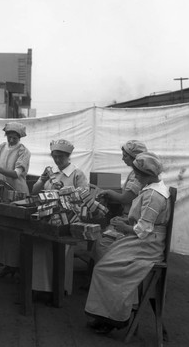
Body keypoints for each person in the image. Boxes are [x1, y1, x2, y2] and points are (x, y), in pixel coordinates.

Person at [85, 152, 172, 334]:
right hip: (144, 240)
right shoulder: (151, 188)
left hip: (148, 245)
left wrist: (124, 227)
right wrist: (125, 224)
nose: (136, 176)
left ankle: (114, 317)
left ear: (148, 174)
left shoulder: (154, 196)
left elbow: (143, 229)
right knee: (106, 257)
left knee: (105, 269)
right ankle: (110, 313)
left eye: (138, 174)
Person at [30, 139, 89, 299]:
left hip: (68, 220)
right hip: (48, 216)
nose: (57, 160)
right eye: (55, 156)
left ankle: (59, 288)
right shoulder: (51, 173)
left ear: (68, 156)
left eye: (61, 157)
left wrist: (63, 191)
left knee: (59, 250)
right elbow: (35, 191)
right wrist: (42, 180)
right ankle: (40, 287)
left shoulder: (77, 174)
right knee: (40, 248)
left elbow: (83, 198)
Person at [0, 122, 31, 278]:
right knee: (2, 228)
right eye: (9, 136)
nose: (11, 139)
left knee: (15, 229)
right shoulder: (1, 147)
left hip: (17, 193)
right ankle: (5, 264)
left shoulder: (24, 151)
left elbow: (16, 174)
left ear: (19, 137)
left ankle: (17, 265)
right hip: (2, 193)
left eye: (14, 137)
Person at [92, 140, 148, 262]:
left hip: (132, 222)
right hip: (129, 219)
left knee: (102, 242)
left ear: (135, 158)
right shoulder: (135, 173)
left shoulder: (138, 176)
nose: (122, 159)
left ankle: (107, 271)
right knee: (100, 236)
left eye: (125, 156)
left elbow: (125, 198)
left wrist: (107, 192)